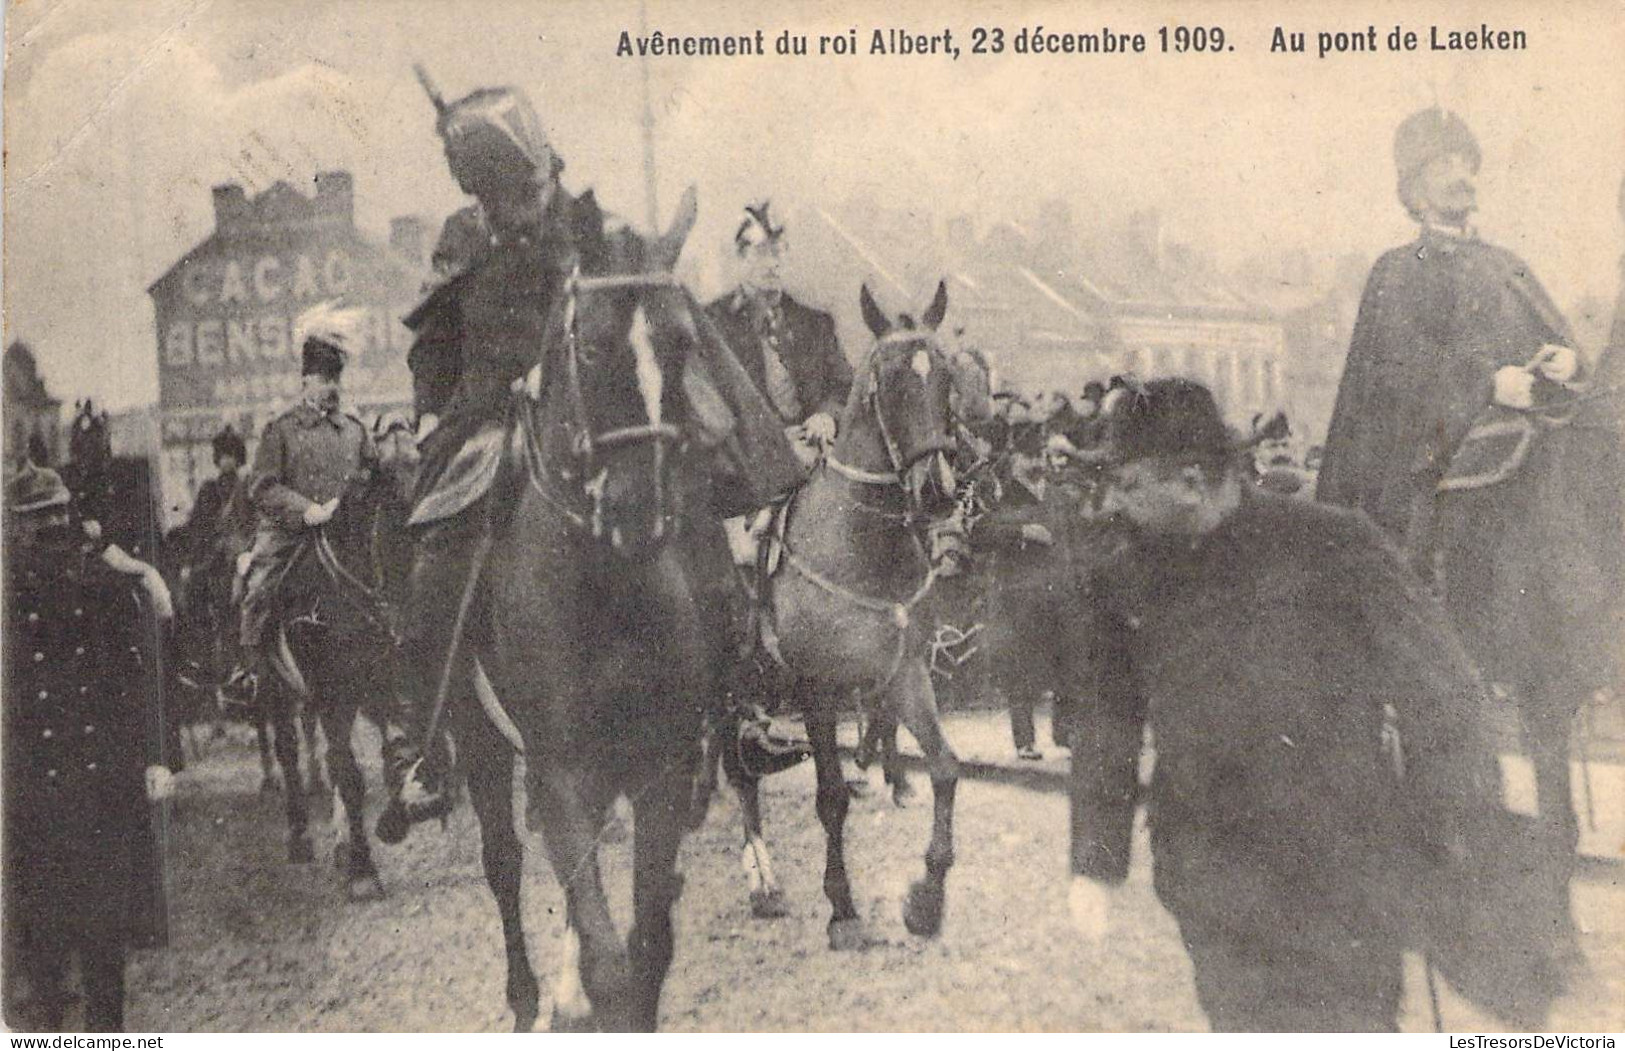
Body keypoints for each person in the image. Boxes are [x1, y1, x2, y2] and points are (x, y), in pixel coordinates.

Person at [1068, 378, 1566, 1031]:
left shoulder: (1333, 544)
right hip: (1211, 880)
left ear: (1190, 480)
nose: (1113, 503)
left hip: (1340, 873)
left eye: (1128, 485)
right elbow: (1105, 718)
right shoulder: (1121, 576)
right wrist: (1094, 863)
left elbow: (1441, 693)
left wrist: (1450, 834)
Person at [1315, 107, 1603, 941]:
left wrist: (1559, 361)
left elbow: (1562, 344)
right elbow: (1395, 375)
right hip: (1431, 463)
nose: (1461, 174)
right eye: (1443, 164)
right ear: (1411, 187)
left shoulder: (1508, 265)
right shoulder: (1396, 272)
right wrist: (1487, 382)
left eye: (1466, 161)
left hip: (1519, 455)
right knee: (1427, 549)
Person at [3, 464, 177, 1031]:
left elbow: (142, 660)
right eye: (40, 520)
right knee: (64, 941)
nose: (51, 529)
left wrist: (154, 754)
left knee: (82, 937)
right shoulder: (29, 586)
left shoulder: (101, 574)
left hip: (76, 782)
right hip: (54, 786)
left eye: (55, 516)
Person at [239, 304, 377, 679]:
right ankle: (251, 674)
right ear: (305, 382)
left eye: (336, 379)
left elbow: (370, 473)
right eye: (323, 379)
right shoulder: (281, 429)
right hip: (291, 534)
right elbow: (262, 486)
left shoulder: (355, 430)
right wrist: (306, 511)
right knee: (260, 587)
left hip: (346, 535)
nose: (332, 387)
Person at [705, 202, 853, 484]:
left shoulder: (815, 322)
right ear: (740, 256)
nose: (773, 263)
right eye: (761, 253)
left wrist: (827, 416)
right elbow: (710, 409)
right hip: (746, 474)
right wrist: (771, 441)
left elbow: (844, 386)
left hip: (819, 459)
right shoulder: (712, 325)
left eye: (779, 252)